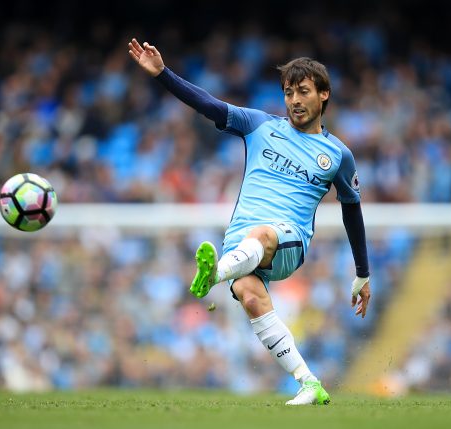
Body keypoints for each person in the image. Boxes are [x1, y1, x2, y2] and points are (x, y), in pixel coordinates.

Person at [128, 38, 371, 405]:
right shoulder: (260, 125)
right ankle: (309, 383)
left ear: (323, 95)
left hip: (287, 241)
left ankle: (214, 274)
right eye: (288, 92)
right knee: (249, 295)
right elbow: (207, 105)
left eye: (303, 91)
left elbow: (352, 208)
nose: (294, 100)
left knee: (263, 235)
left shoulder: (338, 154)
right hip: (240, 241)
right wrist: (163, 74)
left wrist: (362, 273)